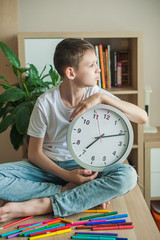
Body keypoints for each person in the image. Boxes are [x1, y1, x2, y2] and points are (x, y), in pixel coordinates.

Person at [0, 38, 147, 223]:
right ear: (71, 72)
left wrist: (102, 98)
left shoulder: (96, 94)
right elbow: (34, 154)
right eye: (92, 65)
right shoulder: (45, 103)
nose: (98, 70)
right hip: (48, 168)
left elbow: (142, 117)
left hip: (88, 169)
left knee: (128, 176)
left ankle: (45, 205)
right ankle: (67, 192)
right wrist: (67, 177)